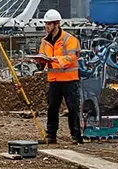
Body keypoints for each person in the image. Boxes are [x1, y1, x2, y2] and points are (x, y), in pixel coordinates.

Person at [36, 9, 84, 144]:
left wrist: (54, 60)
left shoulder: (70, 40)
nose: (46, 27)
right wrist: (40, 63)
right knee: (52, 108)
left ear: (56, 24)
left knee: (73, 108)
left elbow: (72, 57)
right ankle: (51, 135)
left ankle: (76, 136)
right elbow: (43, 59)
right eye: (45, 24)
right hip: (54, 80)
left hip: (69, 80)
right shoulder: (44, 42)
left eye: (49, 24)